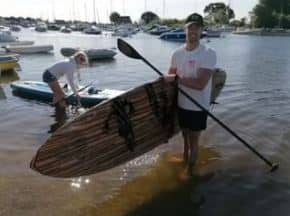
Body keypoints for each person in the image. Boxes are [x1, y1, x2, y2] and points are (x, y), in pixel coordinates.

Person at [165, 13, 217, 176]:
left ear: (202, 30)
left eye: (196, 28)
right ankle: (184, 157)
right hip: (181, 104)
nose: (192, 31)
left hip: (198, 106)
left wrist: (176, 79)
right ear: (185, 29)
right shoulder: (176, 53)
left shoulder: (208, 53)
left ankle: (190, 169)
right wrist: (167, 79)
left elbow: (200, 84)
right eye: (190, 28)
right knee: (185, 137)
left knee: (194, 140)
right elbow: (170, 76)